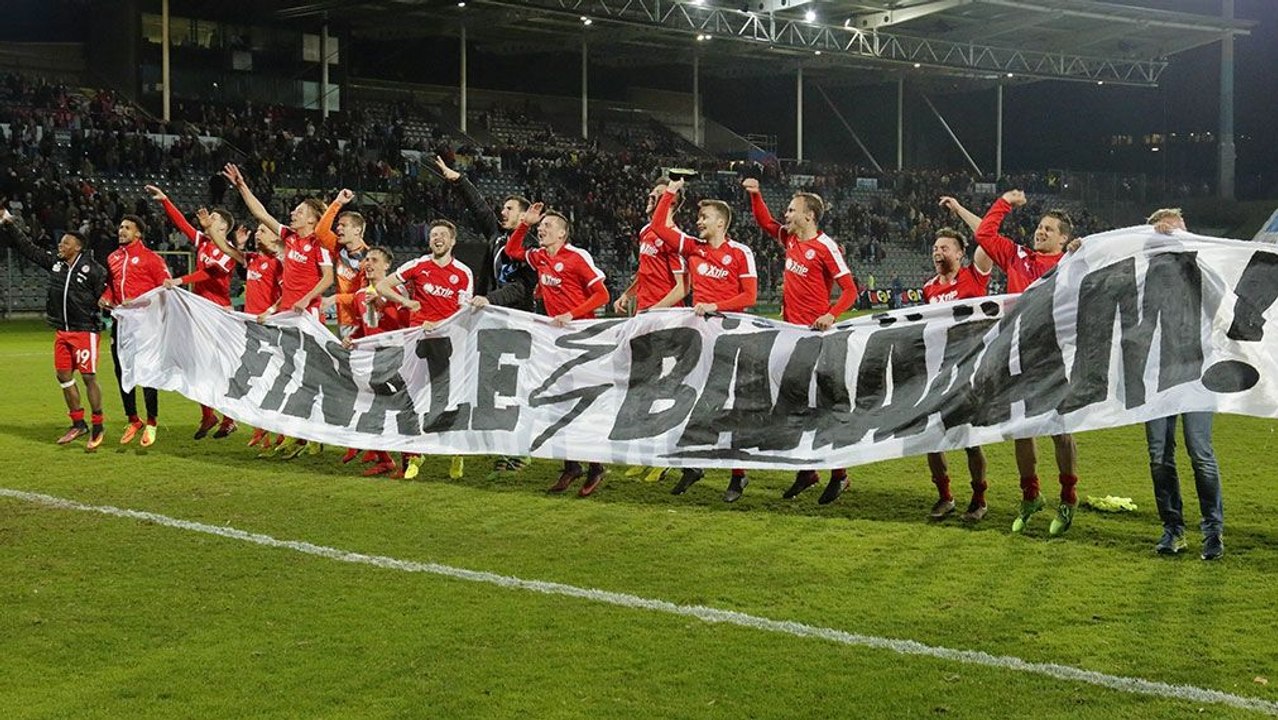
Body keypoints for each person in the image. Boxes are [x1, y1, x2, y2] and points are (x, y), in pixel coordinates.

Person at [479, 203, 610, 497]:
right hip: (555, 341)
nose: (543, 229)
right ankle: (571, 465)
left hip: (581, 339)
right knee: (557, 403)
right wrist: (525, 223)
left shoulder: (576, 258)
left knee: (580, 405)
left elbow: (602, 294)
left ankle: (596, 466)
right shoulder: (540, 258)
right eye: (542, 226)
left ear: (563, 233)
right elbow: (513, 251)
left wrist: (572, 315)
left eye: (548, 226)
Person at [742, 177, 858, 504]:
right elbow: (765, 221)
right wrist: (755, 194)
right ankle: (807, 471)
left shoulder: (825, 246)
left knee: (821, 408)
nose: (787, 215)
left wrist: (832, 314)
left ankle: (840, 475)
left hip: (816, 339)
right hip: (790, 336)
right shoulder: (791, 240)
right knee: (794, 406)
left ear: (809, 216)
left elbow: (850, 289)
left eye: (792, 210)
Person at [974, 189, 1079, 535]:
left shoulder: (1070, 264)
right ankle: (1030, 496)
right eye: (1040, 226)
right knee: (1021, 429)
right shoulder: (1017, 256)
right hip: (1016, 356)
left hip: (1053, 357)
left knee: (1059, 431)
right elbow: (984, 236)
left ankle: (1068, 497)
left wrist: (1083, 254)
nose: (1041, 231)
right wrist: (1004, 202)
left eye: (1050, 229)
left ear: (1064, 239)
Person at [650, 179, 758, 502]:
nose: (699, 222)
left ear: (721, 222)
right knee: (690, 400)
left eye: (705, 217)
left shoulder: (740, 252)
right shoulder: (693, 248)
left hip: (732, 337)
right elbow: (658, 227)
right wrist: (670, 190)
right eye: (698, 218)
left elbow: (749, 296)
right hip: (699, 339)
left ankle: (738, 476)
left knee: (728, 406)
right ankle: (693, 466)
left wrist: (715, 306)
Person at [223, 163, 334, 459]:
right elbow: (261, 213)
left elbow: (328, 278)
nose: (293, 214)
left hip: (307, 318)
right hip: (287, 317)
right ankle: (296, 435)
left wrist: (306, 299)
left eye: (299, 211)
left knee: (306, 378)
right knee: (288, 376)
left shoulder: (317, 244)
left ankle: (310, 435)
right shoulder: (289, 238)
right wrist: (242, 185)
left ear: (312, 219)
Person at [436, 156, 537, 476]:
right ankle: (505, 447)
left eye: (509, 209)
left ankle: (522, 452)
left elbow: (522, 287)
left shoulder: (531, 247)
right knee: (495, 386)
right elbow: (479, 207)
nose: (502, 212)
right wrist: (457, 179)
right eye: (503, 209)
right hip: (494, 321)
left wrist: (488, 298)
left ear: (524, 215)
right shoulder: (496, 236)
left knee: (517, 387)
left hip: (519, 323)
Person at [0, 208, 109, 450]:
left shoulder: (94, 270)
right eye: (61, 242)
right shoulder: (57, 265)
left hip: (84, 330)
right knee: (63, 376)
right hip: (62, 331)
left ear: (77, 247)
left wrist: (107, 304)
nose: (61, 246)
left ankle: (98, 425)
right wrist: (9, 222)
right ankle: (78, 423)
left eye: (65, 243)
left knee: (89, 376)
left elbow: (108, 291)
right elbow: (29, 249)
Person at [376, 219, 474, 481]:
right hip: (417, 342)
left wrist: (441, 326)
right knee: (414, 396)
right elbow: (382, 286)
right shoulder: (417, 265)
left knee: (449, 397)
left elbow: (465, 312)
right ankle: (415, 456)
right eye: (433, 235)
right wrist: (406, 301)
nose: (437, 238)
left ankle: (456, 452)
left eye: (442, 235)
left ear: (452, 241)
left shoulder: (463, 273)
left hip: (448, 342)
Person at [146, 184, 239, 440]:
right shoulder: (204, 242)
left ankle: (229, 419)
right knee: (197, 366)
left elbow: (212, 273)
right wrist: (165, 200)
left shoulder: (228, 249)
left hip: (218, 313)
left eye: (215, 218)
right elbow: (182, 225)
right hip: (198, 313)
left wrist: (180, 280)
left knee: (219, 367)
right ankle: (208, 414)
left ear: (223, 227)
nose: (209, 219)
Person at [613, 178, 689, 485]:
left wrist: (656, 309)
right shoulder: (646, 232)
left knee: (664, 389)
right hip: (644, 317)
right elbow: (645, 272)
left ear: (671, 202)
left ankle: (666, 457)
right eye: (651, 193)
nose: (649, 198)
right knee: (642, 387)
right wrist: (628, 294)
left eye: (656, 196)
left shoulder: (674, 238)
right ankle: (646, 454)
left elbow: (684, 286)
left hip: (667, 321)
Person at [920, 225, 993, 521]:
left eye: (945, 248)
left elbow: (987, 238)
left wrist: (960, 210)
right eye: (935, 248)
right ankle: (945, 496)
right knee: (931, 439)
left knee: (969, 440)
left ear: (961, 253)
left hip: (970, 373)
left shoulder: (974, 277)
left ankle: (979, 499)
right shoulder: (929, 288)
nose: (938, 252)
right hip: (938, 373)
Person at [100, 213, 170, 447]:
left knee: (147, 372)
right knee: (122, 370)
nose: (121, 230)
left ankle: (151, 421)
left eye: (127, 227)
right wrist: (106, 297)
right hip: (121, 321)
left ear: (138, 233)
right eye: (120, 226)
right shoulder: (113, 258)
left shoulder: (152, 259)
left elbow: (166, 289)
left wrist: (141, 302)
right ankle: (133, 419)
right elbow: (111, 286)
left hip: (146, 323)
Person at [344, 246, 413, 478]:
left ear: (387, 266)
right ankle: (384, 459)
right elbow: (363, 327)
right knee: (368, 408)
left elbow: (407, 321)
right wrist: (351, 337)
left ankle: (408, 462)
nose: (369, 263)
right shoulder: (359, 295)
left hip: (396, 356)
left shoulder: (398, 290)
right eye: (366, 259)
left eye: (374, 260)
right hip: (373, 359)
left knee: (401, 409)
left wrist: (383, 302)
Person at [315, 189, 368, 340]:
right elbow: (320, 232)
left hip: (360, 321)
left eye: (343, 225)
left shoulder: (369, 259)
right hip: (339, 318)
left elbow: (364, 296)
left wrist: (334, 298)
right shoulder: (340, 248)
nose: (338, 228)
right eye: (338, 225)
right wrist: (338, 202)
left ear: (357, 230)